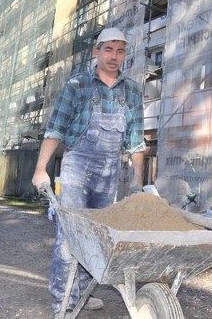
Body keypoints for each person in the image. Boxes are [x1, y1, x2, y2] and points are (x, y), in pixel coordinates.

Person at [31, 27, 145, 315]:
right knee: (70, 239)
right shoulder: (78, 84)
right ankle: (63, 303)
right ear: (96, 52)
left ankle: (79, 293)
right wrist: (40, 169)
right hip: (77, 169)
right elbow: (56, 128)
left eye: (120, 51)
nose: (114, 56)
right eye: (108, 50)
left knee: (96, 238)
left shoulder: (131, 91)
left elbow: (135, 141)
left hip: (109, 172)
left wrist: (137, 182)